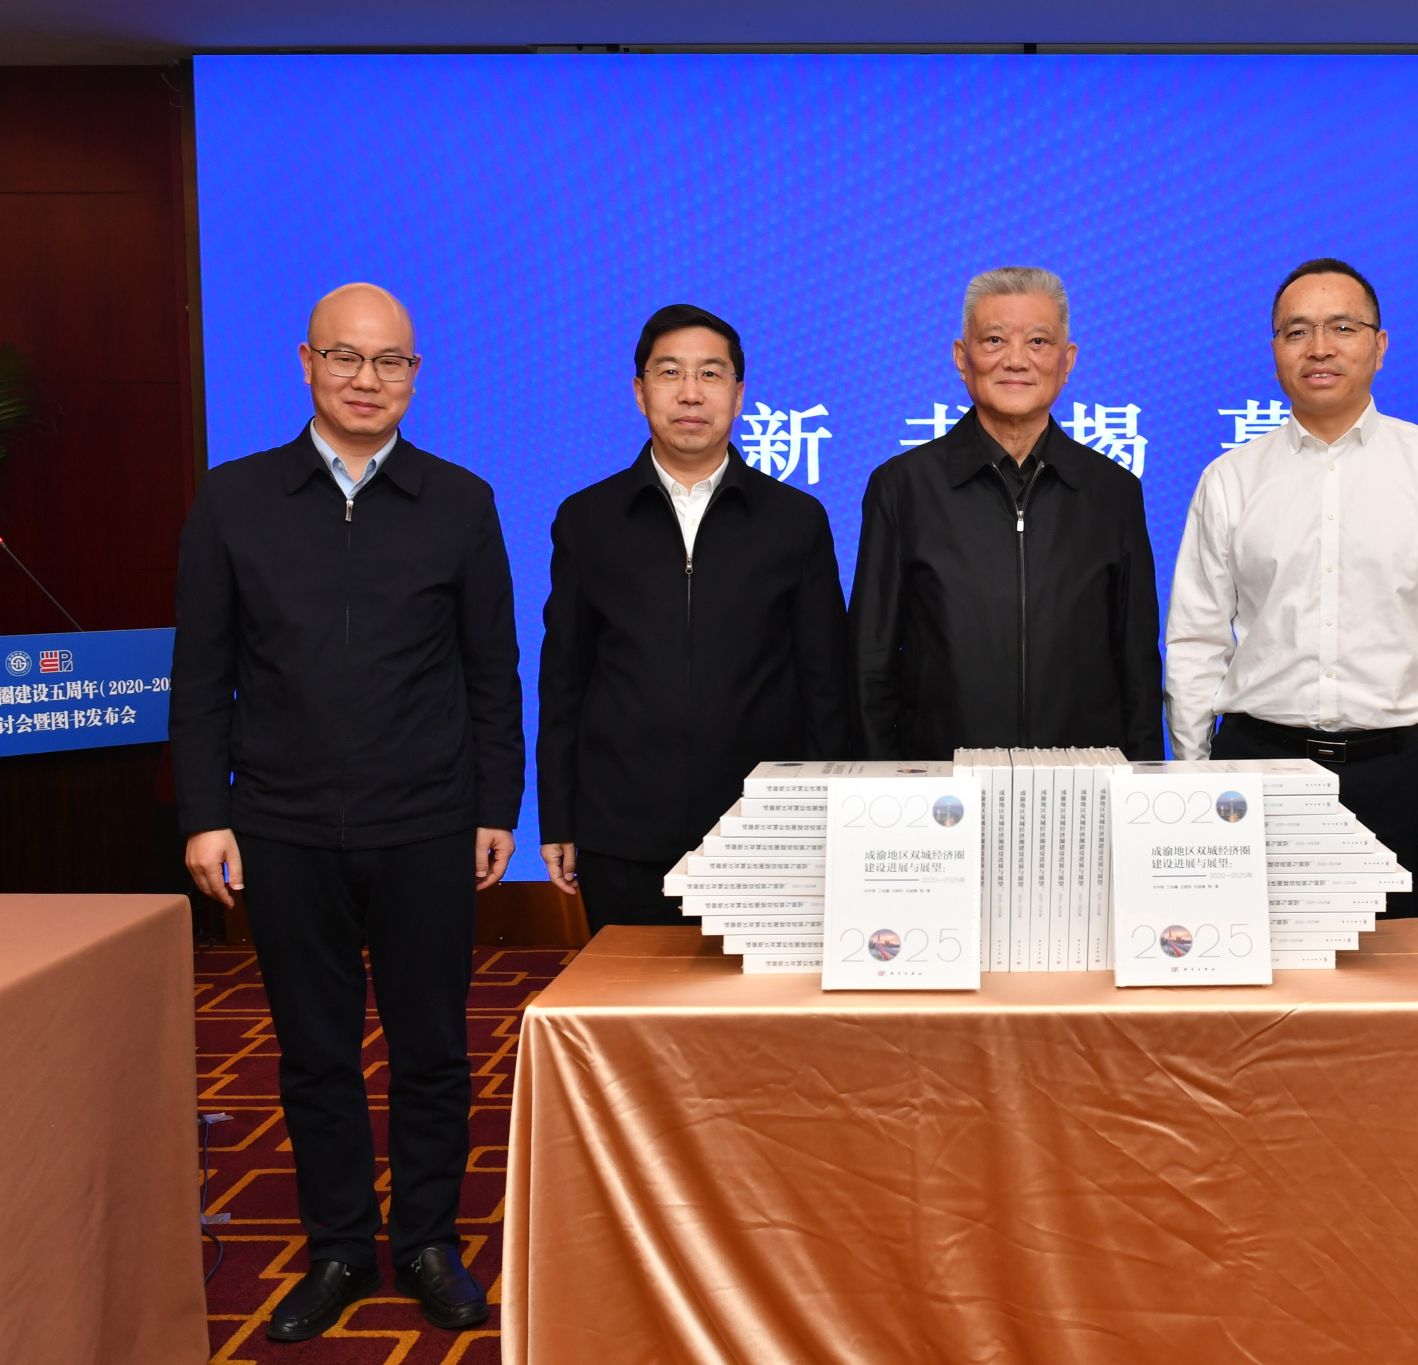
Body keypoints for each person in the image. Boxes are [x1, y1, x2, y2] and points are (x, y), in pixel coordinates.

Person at [172, 283, 521, 1341]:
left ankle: (426, 1240)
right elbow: (203, 672)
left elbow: (491, 670)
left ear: (415, 374)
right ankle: (336, 1247)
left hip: (426, 820)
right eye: (346, 357)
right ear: (306, 362)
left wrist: (494, 803)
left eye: (390, 362)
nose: (368, 380)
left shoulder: (460, 500)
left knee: (433, 1051)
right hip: (282, 823)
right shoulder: (234, 498)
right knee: (315, 1052)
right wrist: (205, 812)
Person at [1163, 259, 1418, 917]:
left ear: (1379, 346)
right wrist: (1194, 782)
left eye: (1343, 328)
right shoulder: (1230, 479)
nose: (1320, 347)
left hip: (1400, 776)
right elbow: (1195, 643)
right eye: (1297, 331)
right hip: (1257, 773)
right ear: (1275, 350)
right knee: (1254, 971)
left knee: (1395, 974)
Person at [538, 304, 849, 930]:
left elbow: (826, 686)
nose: (689, 393)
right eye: (669, 372)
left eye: (710, 374)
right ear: (639, 391)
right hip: (620, 829)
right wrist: (560, 816)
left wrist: (830, 816)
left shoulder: (794, 521)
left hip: (763, 830)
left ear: (738, 394)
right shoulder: (588, 519)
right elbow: (565, 681)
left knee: (750, 998)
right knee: (628, 992)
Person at [848, 266, 1161, 760]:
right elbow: (870, 660)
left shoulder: (1112, 491)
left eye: (1038, 342)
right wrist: (882, 785)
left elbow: (1137, 662)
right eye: (994, 340)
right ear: (962, 357)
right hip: (941, 786)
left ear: (1067, 360)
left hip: (1081, 783)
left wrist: (1140, 780)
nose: (1016, 360)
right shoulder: (903, 487)